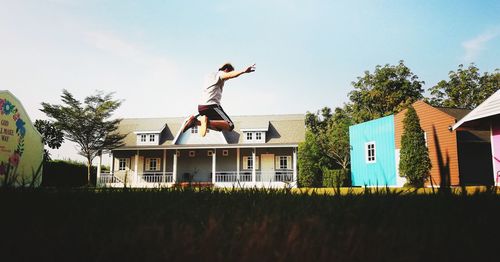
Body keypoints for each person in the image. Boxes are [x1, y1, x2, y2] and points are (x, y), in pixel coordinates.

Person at [181, 62, 256, 137]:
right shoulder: (220, 74)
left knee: (219, 127)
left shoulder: (209, 76)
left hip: (201, 107)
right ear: (226, 69)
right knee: (230, 125)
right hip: (211, 106)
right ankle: (201, 122)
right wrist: (243, 71)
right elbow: (230, 75)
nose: (227, 79)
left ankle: (196, 122)